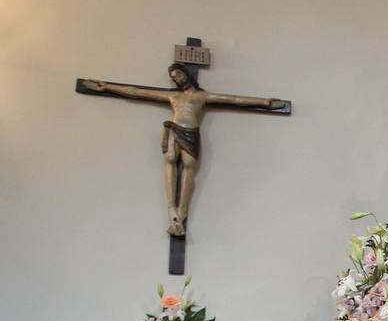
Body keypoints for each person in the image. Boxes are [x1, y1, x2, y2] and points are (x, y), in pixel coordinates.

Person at [79, 65, 287, 234]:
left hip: (191, 132)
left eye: (178, 73)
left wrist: (265, 103)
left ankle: (182, 211)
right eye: (173, 77)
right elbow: (138, 92)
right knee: (169, 160)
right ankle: (172, 212)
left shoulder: (202, 97)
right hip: (173, 130)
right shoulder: (174, 97)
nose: (177, 78)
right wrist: (106, 87)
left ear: (186, 73)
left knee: (189, 167)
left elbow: (233, 99)